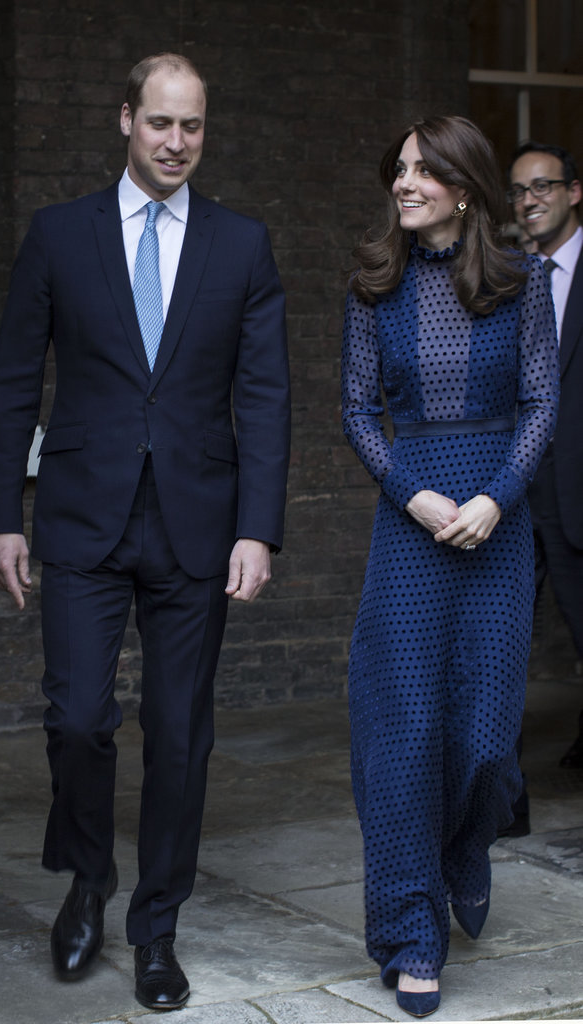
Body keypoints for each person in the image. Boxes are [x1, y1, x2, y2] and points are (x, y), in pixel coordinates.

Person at [0, 53, 290, 1013]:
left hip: (198, 527)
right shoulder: (59, 236)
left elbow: (267, 397)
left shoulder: (241, 246)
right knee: (76, 718)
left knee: (180, 735)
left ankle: (157, 927)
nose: (176, 143)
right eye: (160, 123)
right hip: (79, 518)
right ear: (125, 120)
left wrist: (259, 529)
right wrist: (1, 518)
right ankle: (87, 881)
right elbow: (15, 384)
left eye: (192, 127)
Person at [341, 115, 558, 1018]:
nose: (404, 183)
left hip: (496, 531)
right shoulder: (372, 286)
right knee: (401, 734)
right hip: (410, 529)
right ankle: (409, 929)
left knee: (480, 740)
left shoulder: (523, 283)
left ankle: (464, 853)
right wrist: (410, 492)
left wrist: (498, 497)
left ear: (464, 188)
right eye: (398, 169)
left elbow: (544, 400)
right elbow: (354, 407)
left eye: (424, 171)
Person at [509, 143, 583, 769]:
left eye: (543, 186)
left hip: (579, 489)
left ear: (573, 192)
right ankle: (502, 794)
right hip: (513, 494)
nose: (529, 200)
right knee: (501, 642)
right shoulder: (508, 276)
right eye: (519, 191)